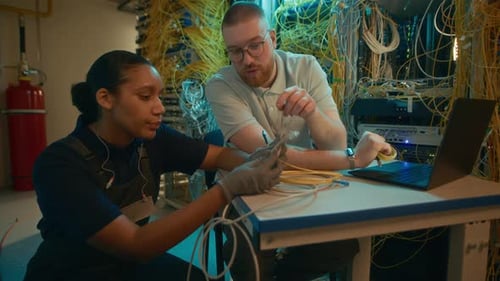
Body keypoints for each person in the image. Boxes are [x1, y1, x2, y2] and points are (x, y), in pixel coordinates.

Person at [23, 50, 284, 281]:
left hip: (127, 266)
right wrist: (226, 189)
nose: (159, 108)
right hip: (75, 272)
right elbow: (136, 244)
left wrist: (254, 163)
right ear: (105, 98)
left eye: (158, 96)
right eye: (146, 96)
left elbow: (217, 156)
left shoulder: (151, 139)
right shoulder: (59, 165)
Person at [205, 2, 394, 281]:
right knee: (250, 261)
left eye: (255, 45)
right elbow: (270, 158)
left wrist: (312, 113)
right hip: (247, 190)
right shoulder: (220, 84)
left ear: (272, 38)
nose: (246, 59)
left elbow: (334, 142)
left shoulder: (305, 67)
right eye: (235, 51)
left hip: (304, 187)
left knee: (342, 247)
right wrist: (353, 159)